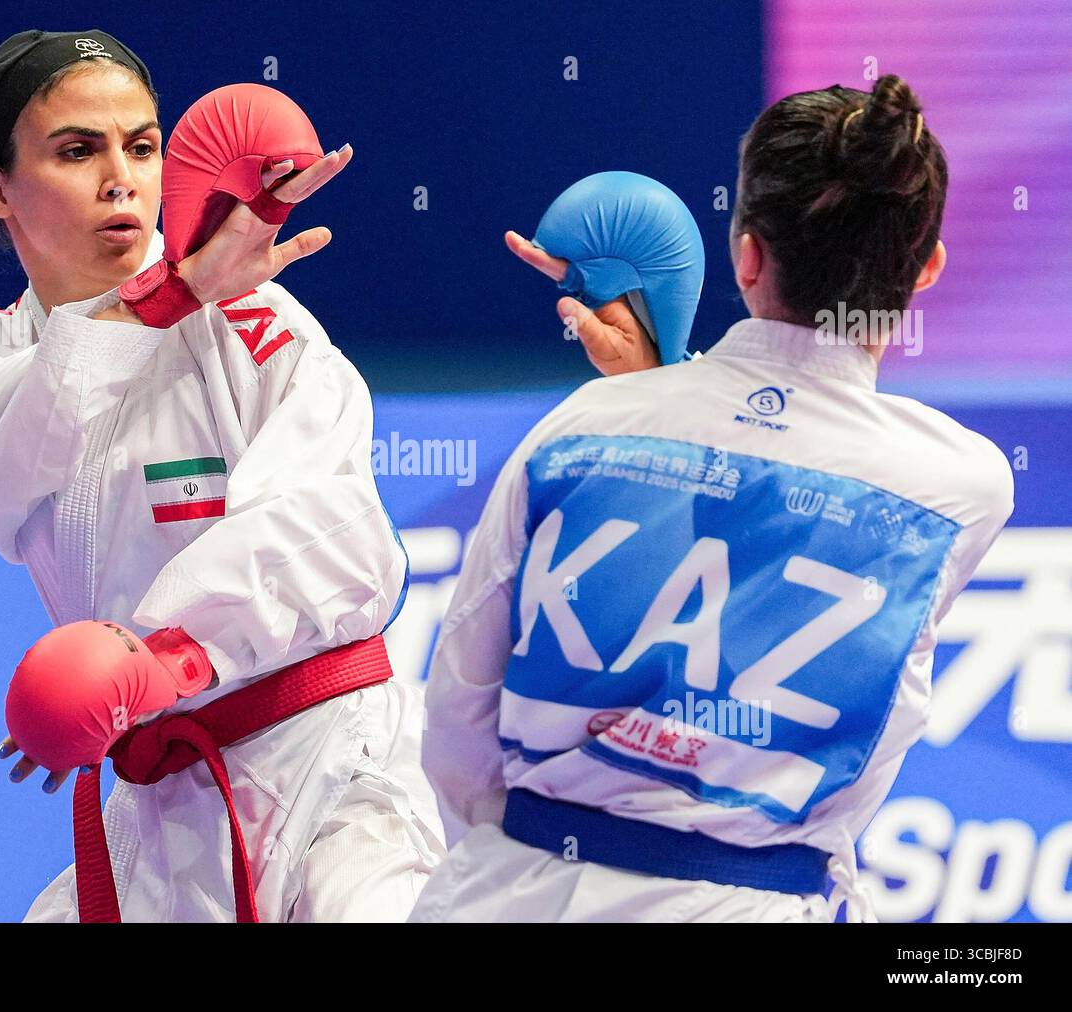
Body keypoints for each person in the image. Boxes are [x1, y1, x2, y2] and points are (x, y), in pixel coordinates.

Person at [410, 75, 1015, 923]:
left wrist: (659, 394)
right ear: (927, 269)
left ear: (746, 256)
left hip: (504, 890)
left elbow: (457, 712)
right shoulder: (965, 484)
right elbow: (772, 473)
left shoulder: (582, 425)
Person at [0, 28, 443, 922]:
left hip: (333, 771)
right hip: (161, 807)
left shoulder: (256, 317)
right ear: (0, 188)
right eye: (78, 150)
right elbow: (16, 449)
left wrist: (163, 662)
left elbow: (335, 530)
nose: (122, 176)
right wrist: (170, 297)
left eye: (143, 146)